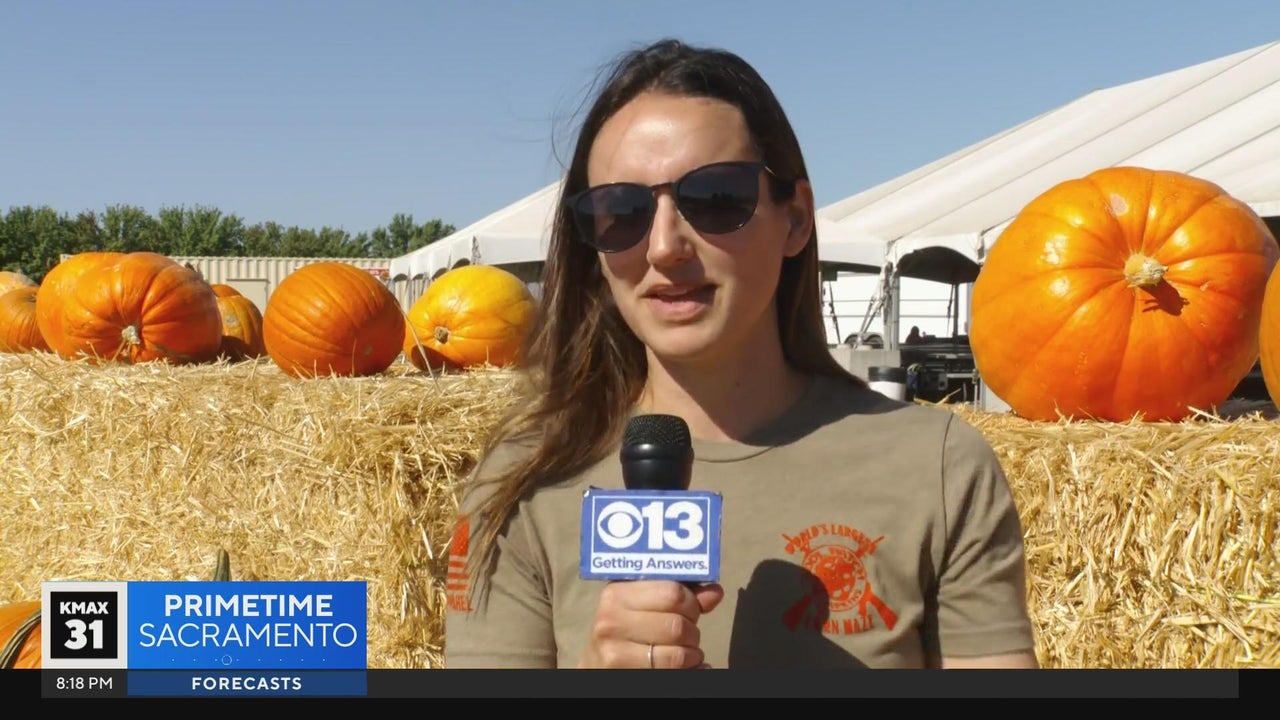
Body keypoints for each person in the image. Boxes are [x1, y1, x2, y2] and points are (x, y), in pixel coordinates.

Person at [442, 37, 1038, 670]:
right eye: (620, 210)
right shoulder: (522, 482)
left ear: (796, 219)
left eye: (716, 198)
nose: (664, 246)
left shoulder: (938, 467)